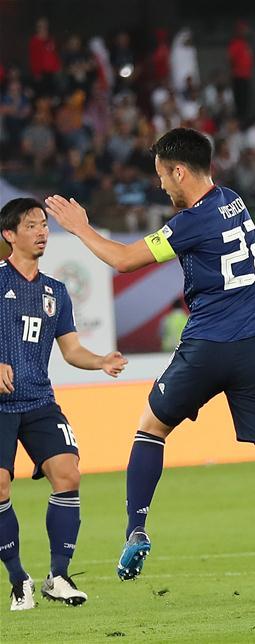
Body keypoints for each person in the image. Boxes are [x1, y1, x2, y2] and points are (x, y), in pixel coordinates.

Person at [43, 128, 255, 617]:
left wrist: (80, 227)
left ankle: (136, 529)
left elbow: (126, 260)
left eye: (161, 176)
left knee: (151, 429)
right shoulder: (233, 200)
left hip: (209, 344)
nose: (160, 187)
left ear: (179, 171)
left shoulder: (191, 221)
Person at [0, 198, 127, 611]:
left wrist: (101, 360)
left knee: (68, 474)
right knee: (0, 485)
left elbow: (71, 350)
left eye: (44, 225)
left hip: (38, 400)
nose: (42, 232)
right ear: (9, 235)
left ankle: (59, 575)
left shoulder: (55, 291)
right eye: (32, 225)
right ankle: (20, 579)